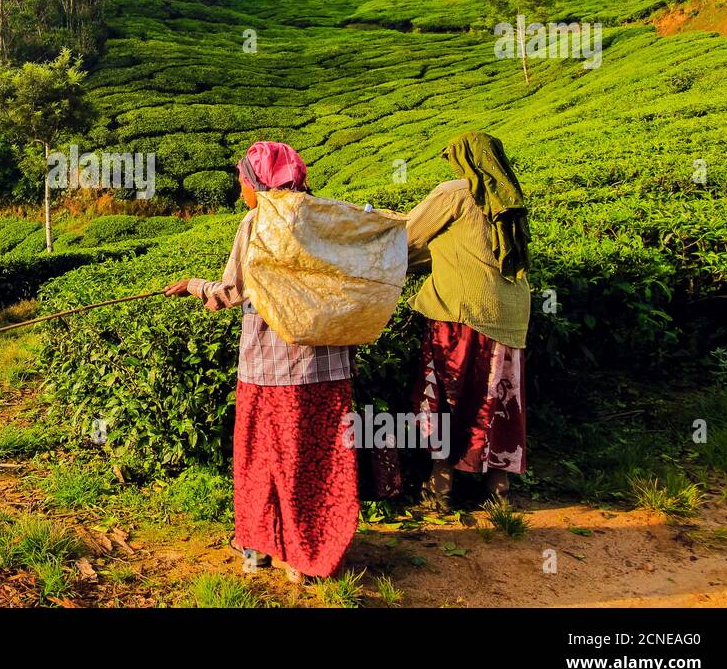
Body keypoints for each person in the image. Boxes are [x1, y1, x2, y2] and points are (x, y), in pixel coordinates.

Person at [164, 141, 358, 583]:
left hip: (271, 366)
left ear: (259, 181)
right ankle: (309, 552)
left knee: (265, 455)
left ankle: (261, 544)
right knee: (315, 455)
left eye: (243, 181)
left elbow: (232, 290)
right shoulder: (325, 214)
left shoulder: (258, 221)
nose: (241, 190)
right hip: (327, 363)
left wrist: (192, 285)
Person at [405, 132, 531, 504]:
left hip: (463, 310)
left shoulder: (455, 192)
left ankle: (441, 482)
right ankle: (498, 487)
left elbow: (408, 237)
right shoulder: (509, 195)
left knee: (451, 395)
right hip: (510, 314)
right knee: (498, 396)